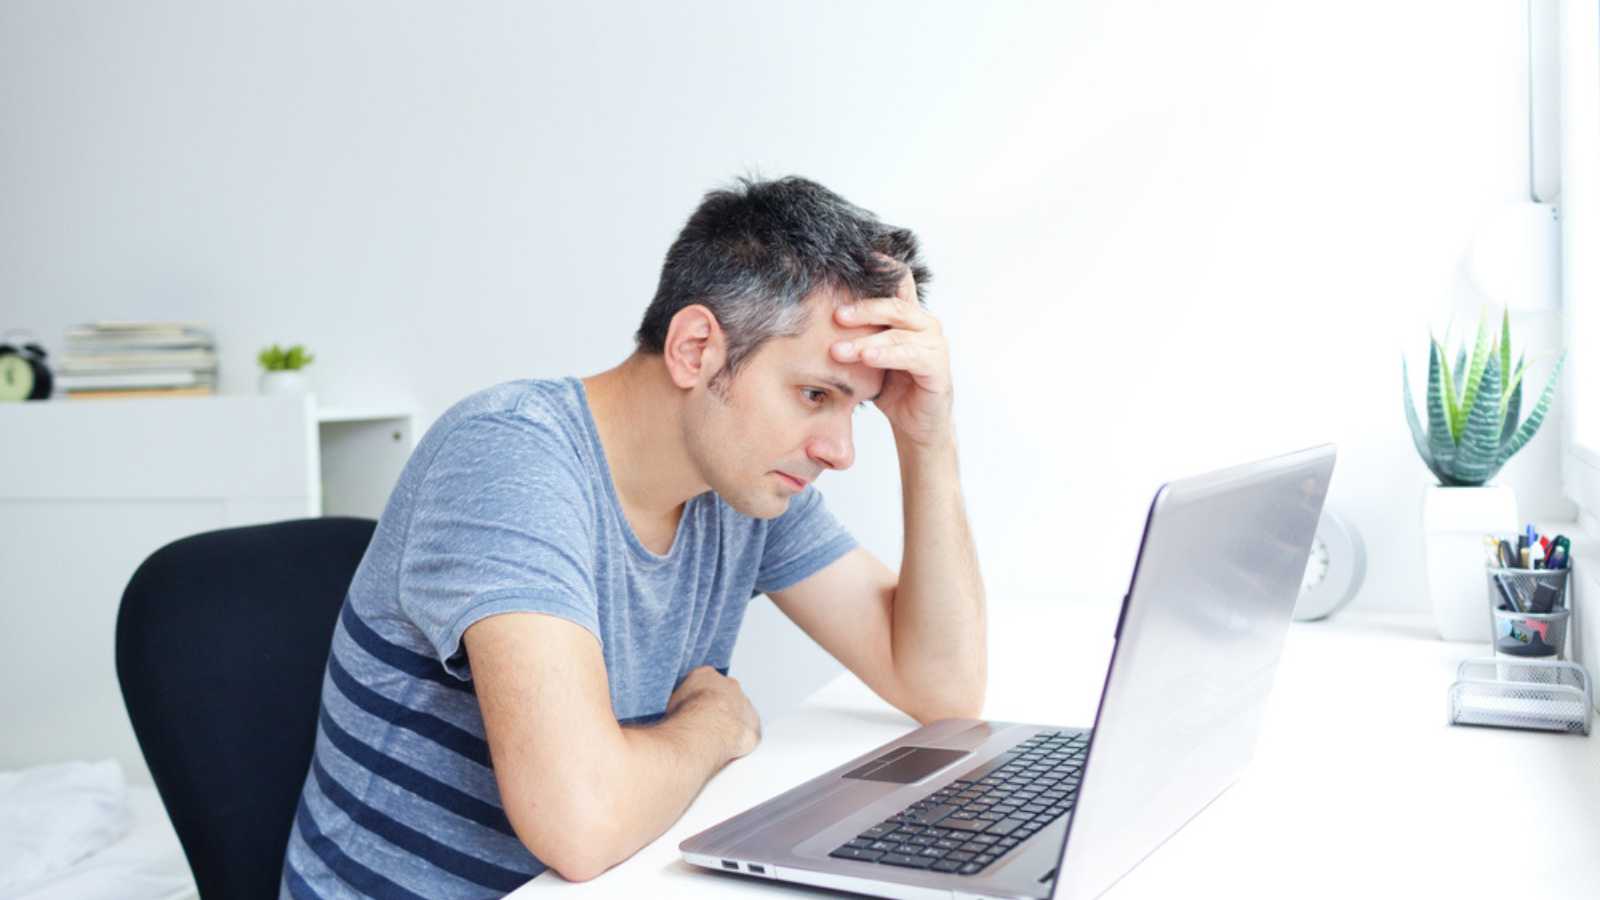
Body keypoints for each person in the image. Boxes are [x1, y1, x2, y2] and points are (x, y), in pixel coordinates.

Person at [280, 175, 987, 898]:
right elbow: (581, 825)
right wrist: (715, 725)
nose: (839, 449)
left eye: (856, 410)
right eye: (815, 395)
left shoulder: (743, 483)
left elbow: (942, 687)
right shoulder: (508, 458)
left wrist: (926, 437)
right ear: (695, 348)